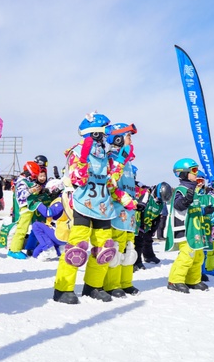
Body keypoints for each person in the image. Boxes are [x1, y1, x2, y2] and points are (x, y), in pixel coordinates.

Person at [52, 112, 117, 304]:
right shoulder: (78, 151)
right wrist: (82, 160)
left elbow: (110, 181)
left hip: (103, 205)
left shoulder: (104, 154)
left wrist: (119, 165)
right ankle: (63, 289)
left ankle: (93, 286)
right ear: (95, 132)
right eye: (104, 130)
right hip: (83, 203)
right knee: (77, 246)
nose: (106, 135)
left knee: (104, 247)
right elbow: (76, 179)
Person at [103, 122, 141, 298]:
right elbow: (109, 182)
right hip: (117, 208)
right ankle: (112, 284)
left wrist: (139, 195)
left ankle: (126, 282)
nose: (130, 140)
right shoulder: (111, 158)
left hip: (130, 210)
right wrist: (122, 197)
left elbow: (129, 183)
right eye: (128, 136)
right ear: (117, 138)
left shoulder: (128, 162)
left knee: (129, 247)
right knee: (117, 247)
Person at [165, 158, 209, 293]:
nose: (196, 173)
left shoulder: (193, 190)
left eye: (197, 170)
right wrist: (186, 200)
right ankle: (175, 280)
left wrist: (204, 211)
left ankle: (193, 280)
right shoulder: (181, 190)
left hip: (196, 229)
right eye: (194, 170)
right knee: (186, 256)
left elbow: (194, 208)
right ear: (183, 173)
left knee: (198, 256)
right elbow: (178, 205)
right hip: (185, 229)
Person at [135, 181, 170, 269]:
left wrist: (154, 226)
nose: (159, 200)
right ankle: (137, 261)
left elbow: (157, 214)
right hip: (139, 220)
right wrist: (140, 224)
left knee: (148, 238)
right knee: (138, 241)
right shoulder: (146, 194)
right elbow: (140, 207)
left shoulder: (160, 202)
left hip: (149, 221)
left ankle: (149, 256)